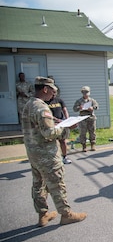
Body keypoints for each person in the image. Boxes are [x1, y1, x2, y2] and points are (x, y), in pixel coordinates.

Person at [21, 76, 87, 226]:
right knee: (56, 182)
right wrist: (66, 129)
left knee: (39, 184)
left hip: (33, 153)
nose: (54, 94)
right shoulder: (42, 107)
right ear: (45, 89)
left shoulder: (29, 105)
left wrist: (55, 122)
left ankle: (43, 214)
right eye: (53, 91)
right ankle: (66, 214)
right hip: (46, 154)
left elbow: (37, 127)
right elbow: (49, 133)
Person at [45, 87, 73, 164]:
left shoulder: (59, 100)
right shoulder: (45, 102)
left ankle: (64, 157)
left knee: (63, 141)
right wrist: (56, 120)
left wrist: (67, 119)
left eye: (55, 92)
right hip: (51, 123)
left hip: (61, 123)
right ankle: (53, 158)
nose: (54, 94)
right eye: (53, 92)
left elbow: (64, 109)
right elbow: (47, 114)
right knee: (51, 142)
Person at [73, 86, 99, 152]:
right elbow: (74, 109)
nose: (85, 94)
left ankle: (92, 144)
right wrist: (80, 108)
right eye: (84, 92)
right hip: (82, 118)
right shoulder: (79, 101)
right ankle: (84, 146)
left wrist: (92, 108)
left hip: (91, 117)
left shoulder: (92, 100)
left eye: (87, 92)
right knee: (83, 132)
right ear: (82, 93)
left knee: (92, 132)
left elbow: (97, 106)